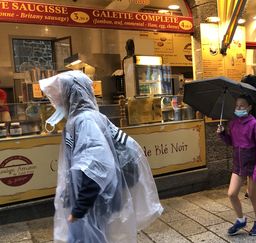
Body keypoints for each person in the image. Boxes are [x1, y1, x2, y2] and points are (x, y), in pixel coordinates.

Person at [39, 71, 163, 242]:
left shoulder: (85, 121)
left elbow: (97, 165)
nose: (55, 101)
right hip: (91, 201)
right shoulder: (84, 119)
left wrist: (80, 208)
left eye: (59, 95)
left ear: (71, 93)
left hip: (93, 203)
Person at [217, 95, 256, 236]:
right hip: (238, 165)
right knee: (231, 194)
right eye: (237, 106)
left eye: (242, 106)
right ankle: (240, 219)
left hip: (253, 165)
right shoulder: (233, 123)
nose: (238, 109)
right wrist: (222, 134)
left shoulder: (255, 125)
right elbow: (231, 142)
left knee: (252, 195)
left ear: (249, 107)